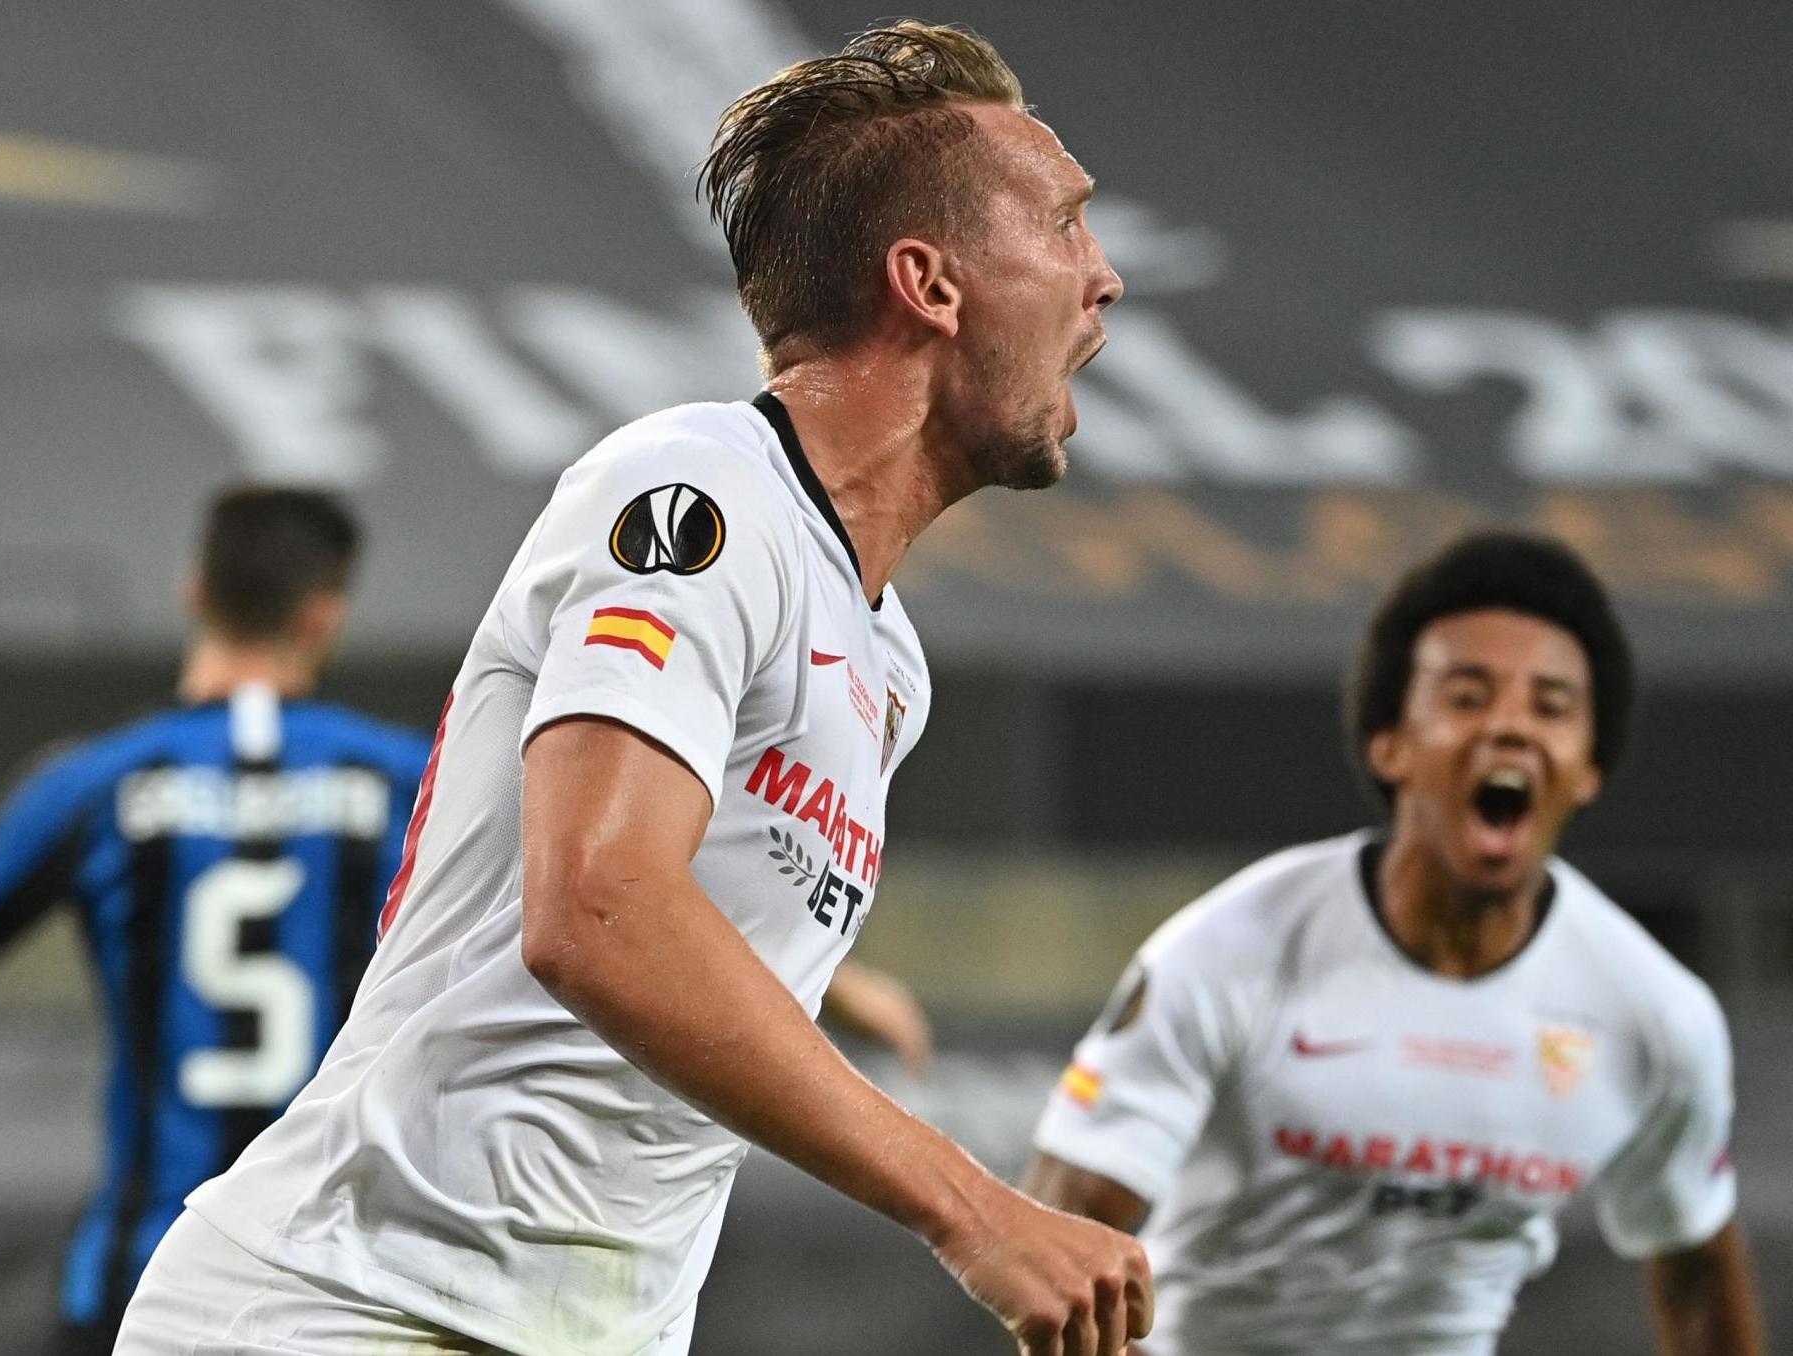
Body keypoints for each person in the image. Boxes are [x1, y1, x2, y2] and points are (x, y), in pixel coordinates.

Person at [119, 21, 1150, 1356]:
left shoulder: (888, 664)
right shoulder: (696, 493)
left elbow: (666, 909)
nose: (1105, 277)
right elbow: (599, 910)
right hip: (351, 1310)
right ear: (932, 285)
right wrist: (970, 1207)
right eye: (1065, 223)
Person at [1024, 532, 1766, 1356]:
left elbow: (1698, 1266)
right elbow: (1063, 1221)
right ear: (1392, 744)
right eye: (1469, 695)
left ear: (1589, 767)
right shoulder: (1229, 949)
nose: (1512, 728)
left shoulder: (1654, 1012)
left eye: (1551, 705)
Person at [0, 486, 429, 1356]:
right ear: (323, 615)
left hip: (141, 1277)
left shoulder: (97, 782)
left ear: (195, 591)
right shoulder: (411, 784)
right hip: (345, 1285)